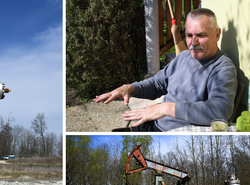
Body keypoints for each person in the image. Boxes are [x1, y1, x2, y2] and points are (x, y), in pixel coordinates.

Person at [94, 8, 237, 132]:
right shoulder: (183, 57)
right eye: (188, 35)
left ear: (217, 35)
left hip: (175, 135)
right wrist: (130, 88)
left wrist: (166, 108)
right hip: (153, 123)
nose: (193, 42)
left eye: (200, 35)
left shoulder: (222, 69)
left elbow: (220, 111)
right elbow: (157, 84)